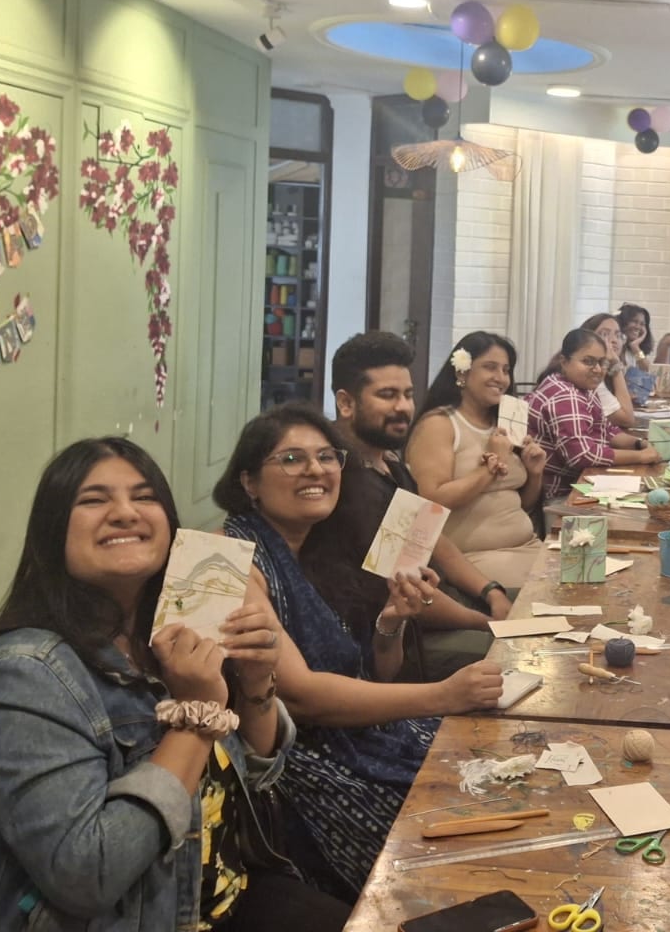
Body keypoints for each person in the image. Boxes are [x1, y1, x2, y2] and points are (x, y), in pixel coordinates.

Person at [0, 438, 350, 932]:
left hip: (209, 895)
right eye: (93, 500)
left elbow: (261, 773)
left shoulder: (170, 634)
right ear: (51, 530)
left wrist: (255, 683)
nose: (125, 513)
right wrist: (196, 715)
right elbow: (89, 874)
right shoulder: (19, 675)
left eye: (145, 497)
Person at [216, 403, 504, 898]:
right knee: (451, 849)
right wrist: (442, 695)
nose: (315, 470)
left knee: (497, 778)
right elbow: (301, 697)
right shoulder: (229, 558)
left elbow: (376, 676)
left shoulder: (321, 547)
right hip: (292, 765)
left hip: (362, 734)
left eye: (327, 457)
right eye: (291, 459)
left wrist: (390, 624)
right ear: (248, 481)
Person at [306, 332, 514, 683]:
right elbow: (403, 592)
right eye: (387, 395)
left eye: (407, 394)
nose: (403, 407)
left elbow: (433, 540)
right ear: (346, 403)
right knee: (519, 655)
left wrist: (490, 591)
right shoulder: (342, 481)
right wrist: (487, 621)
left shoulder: (390, 464)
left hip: (432, 610)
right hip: (391, 646)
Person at [406, 333, 547, 591]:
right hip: (475, 563)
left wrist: (534, 473)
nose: (501, 378)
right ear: (462, 373)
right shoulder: (439, 424)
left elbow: (518, 504)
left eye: (506, 370)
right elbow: (431, 500)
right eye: (490, 367)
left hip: (528, 547)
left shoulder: (504, 426)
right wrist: (490, 468)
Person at [530, 327, 662, 497]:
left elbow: (606, 430)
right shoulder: (565, 395)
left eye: (602, 362)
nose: (598, 369)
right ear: (564, 362)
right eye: (588, 361)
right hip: (560, 493)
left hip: (579, 482)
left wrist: (639, 444)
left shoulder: (583, 387)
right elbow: (582, 455)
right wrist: (641, 457)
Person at [580, 311, 637, 429]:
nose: (614, 340)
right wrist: (616, 365)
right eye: (604, 334)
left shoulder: (603, 368)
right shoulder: (589, 373)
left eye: (618, 335)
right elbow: (627, 419)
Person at [617, 302, 656, 369]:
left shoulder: (635, 351)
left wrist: (635, 346)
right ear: (622, 322)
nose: (638, 327)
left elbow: (649, 370)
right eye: (634, 321)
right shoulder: (614, 347)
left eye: (642, 324)